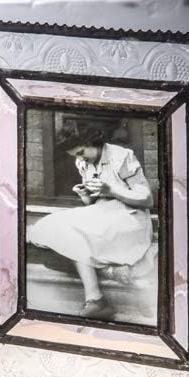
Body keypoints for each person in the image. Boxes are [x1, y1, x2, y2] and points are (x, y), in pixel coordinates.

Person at [27, 123, 153, 320]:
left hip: (129, 217)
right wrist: (85, 195)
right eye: (75, 156)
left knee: (71, 232)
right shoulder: (83, 162)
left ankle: (96, 298)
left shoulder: (122, 156)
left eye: (81, 152)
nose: (80, 159)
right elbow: (92, 203)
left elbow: (147, 199)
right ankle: (102, 284)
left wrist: (111, 190)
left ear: (92, 141)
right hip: (102, 212)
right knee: (47, 227)